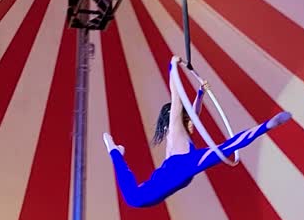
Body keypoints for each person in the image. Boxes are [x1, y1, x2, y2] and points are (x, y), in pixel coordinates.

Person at [103, 60, 292, 208]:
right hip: (152, 188)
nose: (194, 122)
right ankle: (114, 150)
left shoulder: (187, 139)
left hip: (183, 167)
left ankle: (267, 125)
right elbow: (176, 98)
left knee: (229, 147)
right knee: (132, 196)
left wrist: (200, 94)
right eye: (187, 118)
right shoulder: (175, 129)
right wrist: (173, 68)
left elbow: (195, 115)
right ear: (178, 118)